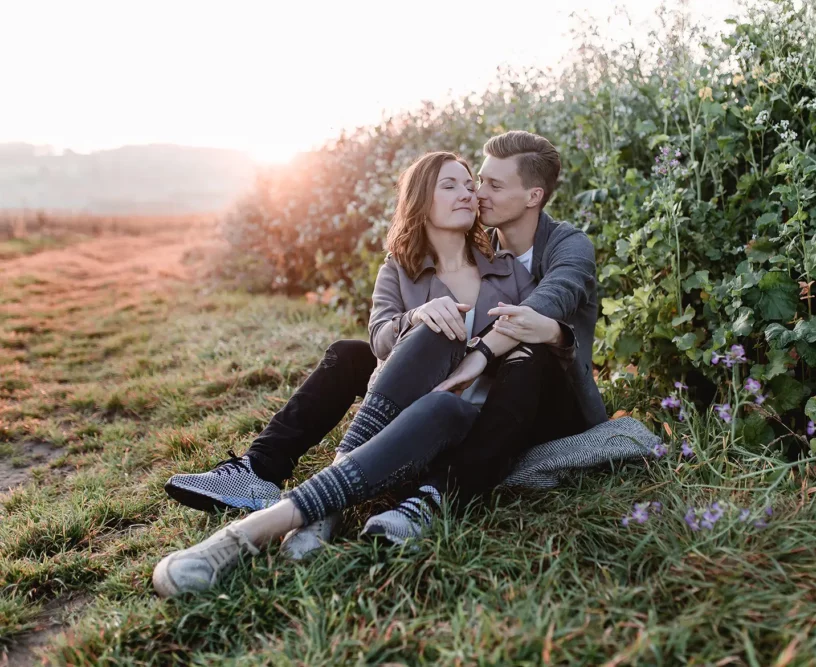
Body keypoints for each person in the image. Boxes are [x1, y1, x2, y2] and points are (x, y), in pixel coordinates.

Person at [153, 148, 584, 596]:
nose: (468, 193)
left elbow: (529, 334)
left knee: (446, 386)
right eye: (450, 185)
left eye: (469, 184)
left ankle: (262, 526)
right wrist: (417, 318)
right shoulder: (400, 267)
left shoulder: (510, 271)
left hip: (475, 417)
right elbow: (379, 337)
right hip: (413, 400)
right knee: (430, 331)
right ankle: (286, 487)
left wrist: (487, 350)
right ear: (420, 200)